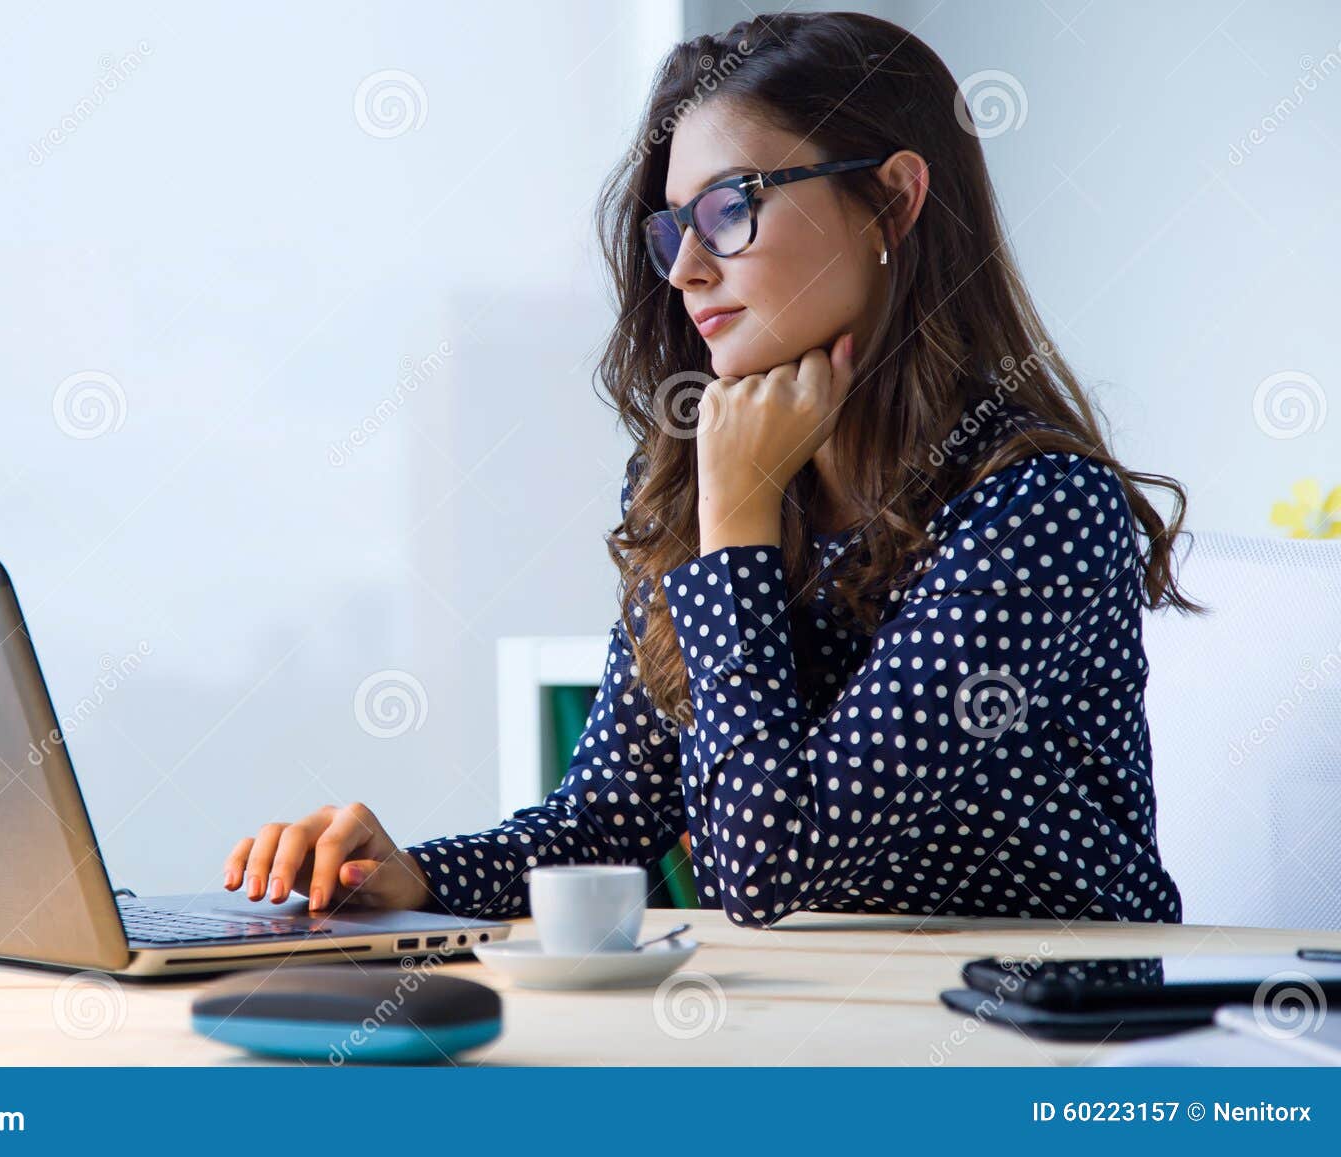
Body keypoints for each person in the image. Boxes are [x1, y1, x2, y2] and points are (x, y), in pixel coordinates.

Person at [223, 10, 1202, 928]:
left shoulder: (1037, 504)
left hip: (1048, 1034)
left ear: (893, 201)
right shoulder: (701, 485)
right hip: (822, 1029)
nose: (687, 266)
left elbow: (763, 872)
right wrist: (412, 876)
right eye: (671, 227)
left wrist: (733, 523)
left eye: (731, 207)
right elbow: (605, 822)